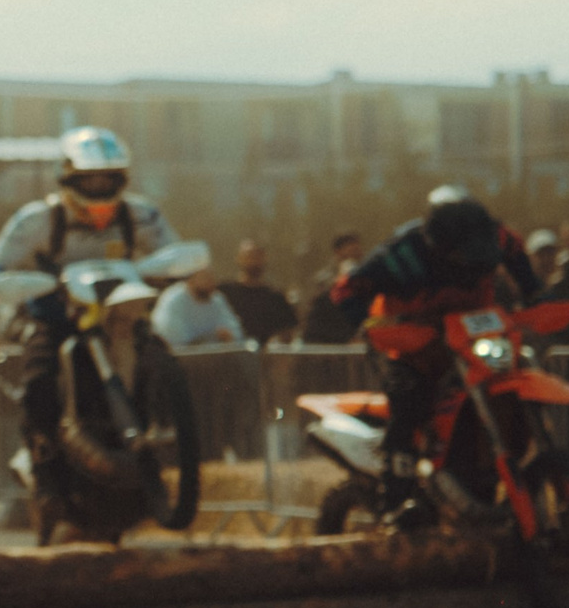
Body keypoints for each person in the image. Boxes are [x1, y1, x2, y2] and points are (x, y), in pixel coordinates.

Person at [0, 128, 175, 493]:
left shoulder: (141, 215)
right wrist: (8, 284)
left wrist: (179, 268)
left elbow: (173, 252)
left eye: (107, 178)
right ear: (68, 177)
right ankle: (41, 459)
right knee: (38, 380)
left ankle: (173, 436)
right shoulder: (36, 219)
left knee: (161, 355)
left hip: (120, 317)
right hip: (58, 318)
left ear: (121, 178)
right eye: (89, 178)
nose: (99, 186)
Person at [331, 194, 539, 494]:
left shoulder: (497, 237)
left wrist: (534, 293)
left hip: (473, 339)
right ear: (439, 247)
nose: (474, 264)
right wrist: (364, 325)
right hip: (414, 345)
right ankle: (397, 493)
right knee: (410, 400)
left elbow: (518, 256)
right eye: (465, 255)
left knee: (514, 380)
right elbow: (345, 289)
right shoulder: (401, 254)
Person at [153, 261, 249, 351]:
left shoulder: (216, 299)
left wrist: (229, 336)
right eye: (205, 277)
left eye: (211, 277)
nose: (211, 282)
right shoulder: (173, 299)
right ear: (191, 279)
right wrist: (210, 337)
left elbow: (235, 331)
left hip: (215, 356)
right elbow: (175, 339)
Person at [218, 240, 296, 346]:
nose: (253, 261)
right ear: (238, 258)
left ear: (264, 259)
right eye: (248, 256)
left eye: (257, 256)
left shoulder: (276, 297)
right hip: (231, 351)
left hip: (264, 353)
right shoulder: (223, 293)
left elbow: (288, 332)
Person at [301, 232, 364, 344]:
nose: (357, 254)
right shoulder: (323, 281)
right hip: (331, 338)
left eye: (357, 250)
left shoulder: (364, 277)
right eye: (352, 250)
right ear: (338, 252)